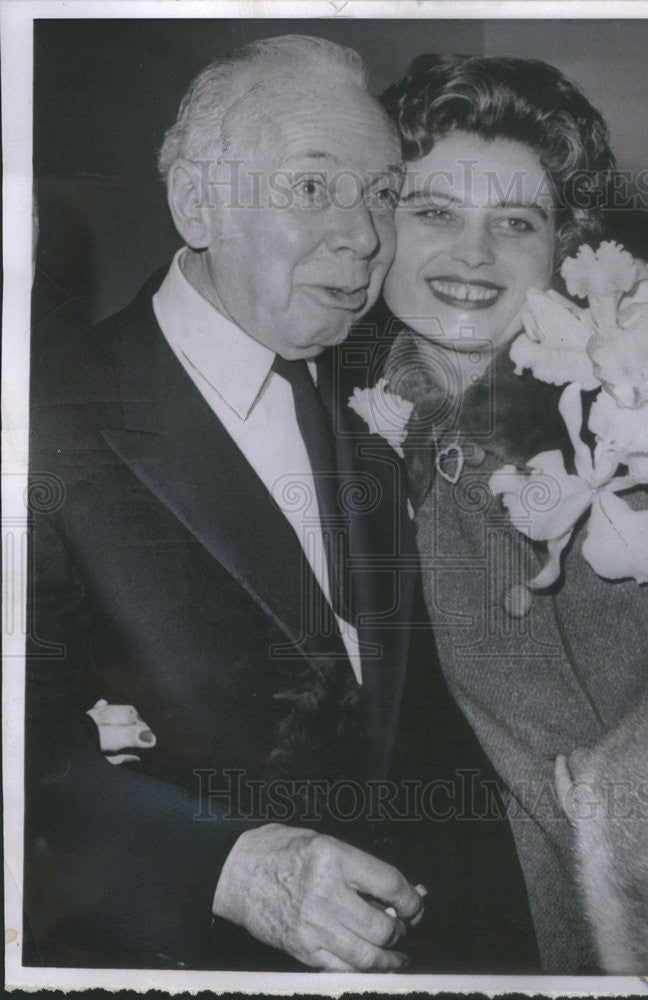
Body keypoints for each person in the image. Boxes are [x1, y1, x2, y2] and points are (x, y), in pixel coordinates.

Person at [24, 36, 538, 974]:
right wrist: (227, 867)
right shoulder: (40, 424)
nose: (363, 236)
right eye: (312, 187)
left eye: (382, 194)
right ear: (196, 204)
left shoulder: (385, 397)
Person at [350, 53, 648, 972]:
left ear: (566, 239)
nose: (473, 256)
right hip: (560, 944)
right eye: (434, 212)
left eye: (516, 221)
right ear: (379, 225)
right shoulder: (343, 443)